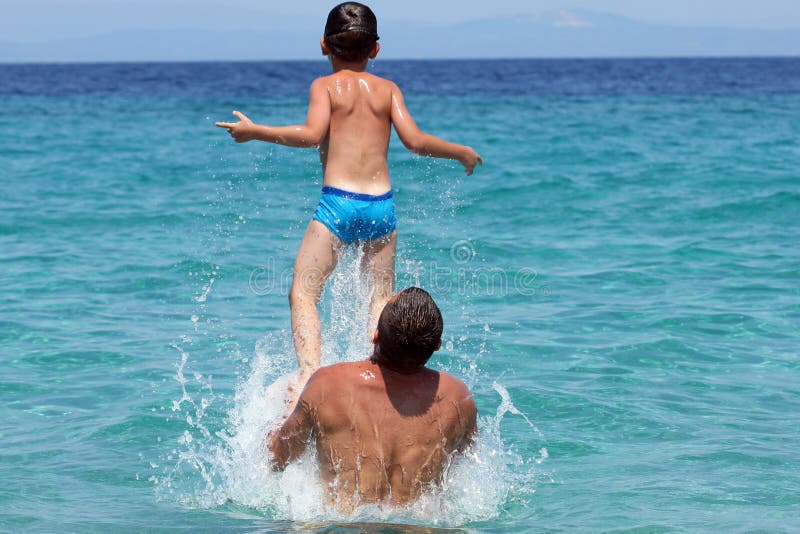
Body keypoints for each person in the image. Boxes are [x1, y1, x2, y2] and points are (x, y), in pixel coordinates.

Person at [215, 2, 482, 390]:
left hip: (338, 205)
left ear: (324, 46)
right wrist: (460, 151)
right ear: (375, 49)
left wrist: (255, 131)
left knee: (304, 293)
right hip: (382, 209)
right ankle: (379, 375)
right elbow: (416, 142)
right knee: (379, 300)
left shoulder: (324, 86)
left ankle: (309, 373)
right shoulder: (388, 90)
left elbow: (310, 135)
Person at [268, 287, 478, 510]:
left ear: (375, 336)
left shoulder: (327, 385)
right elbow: (467, 466)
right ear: (436, 346)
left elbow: (277, 460)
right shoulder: (458, 399)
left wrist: (285, 409)